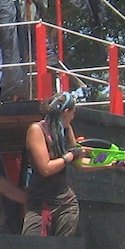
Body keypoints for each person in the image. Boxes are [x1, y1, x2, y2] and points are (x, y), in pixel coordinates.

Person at [21, 91, 85, 236]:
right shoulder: (37, 129)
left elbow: (79, 163)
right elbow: (46, 168)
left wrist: (112, 164)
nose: (73, 116)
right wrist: (70, 155)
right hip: (39, 202)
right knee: (32, 246)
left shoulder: (66, 129)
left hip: (65, 202)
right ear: (66, 112)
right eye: (73, 112)